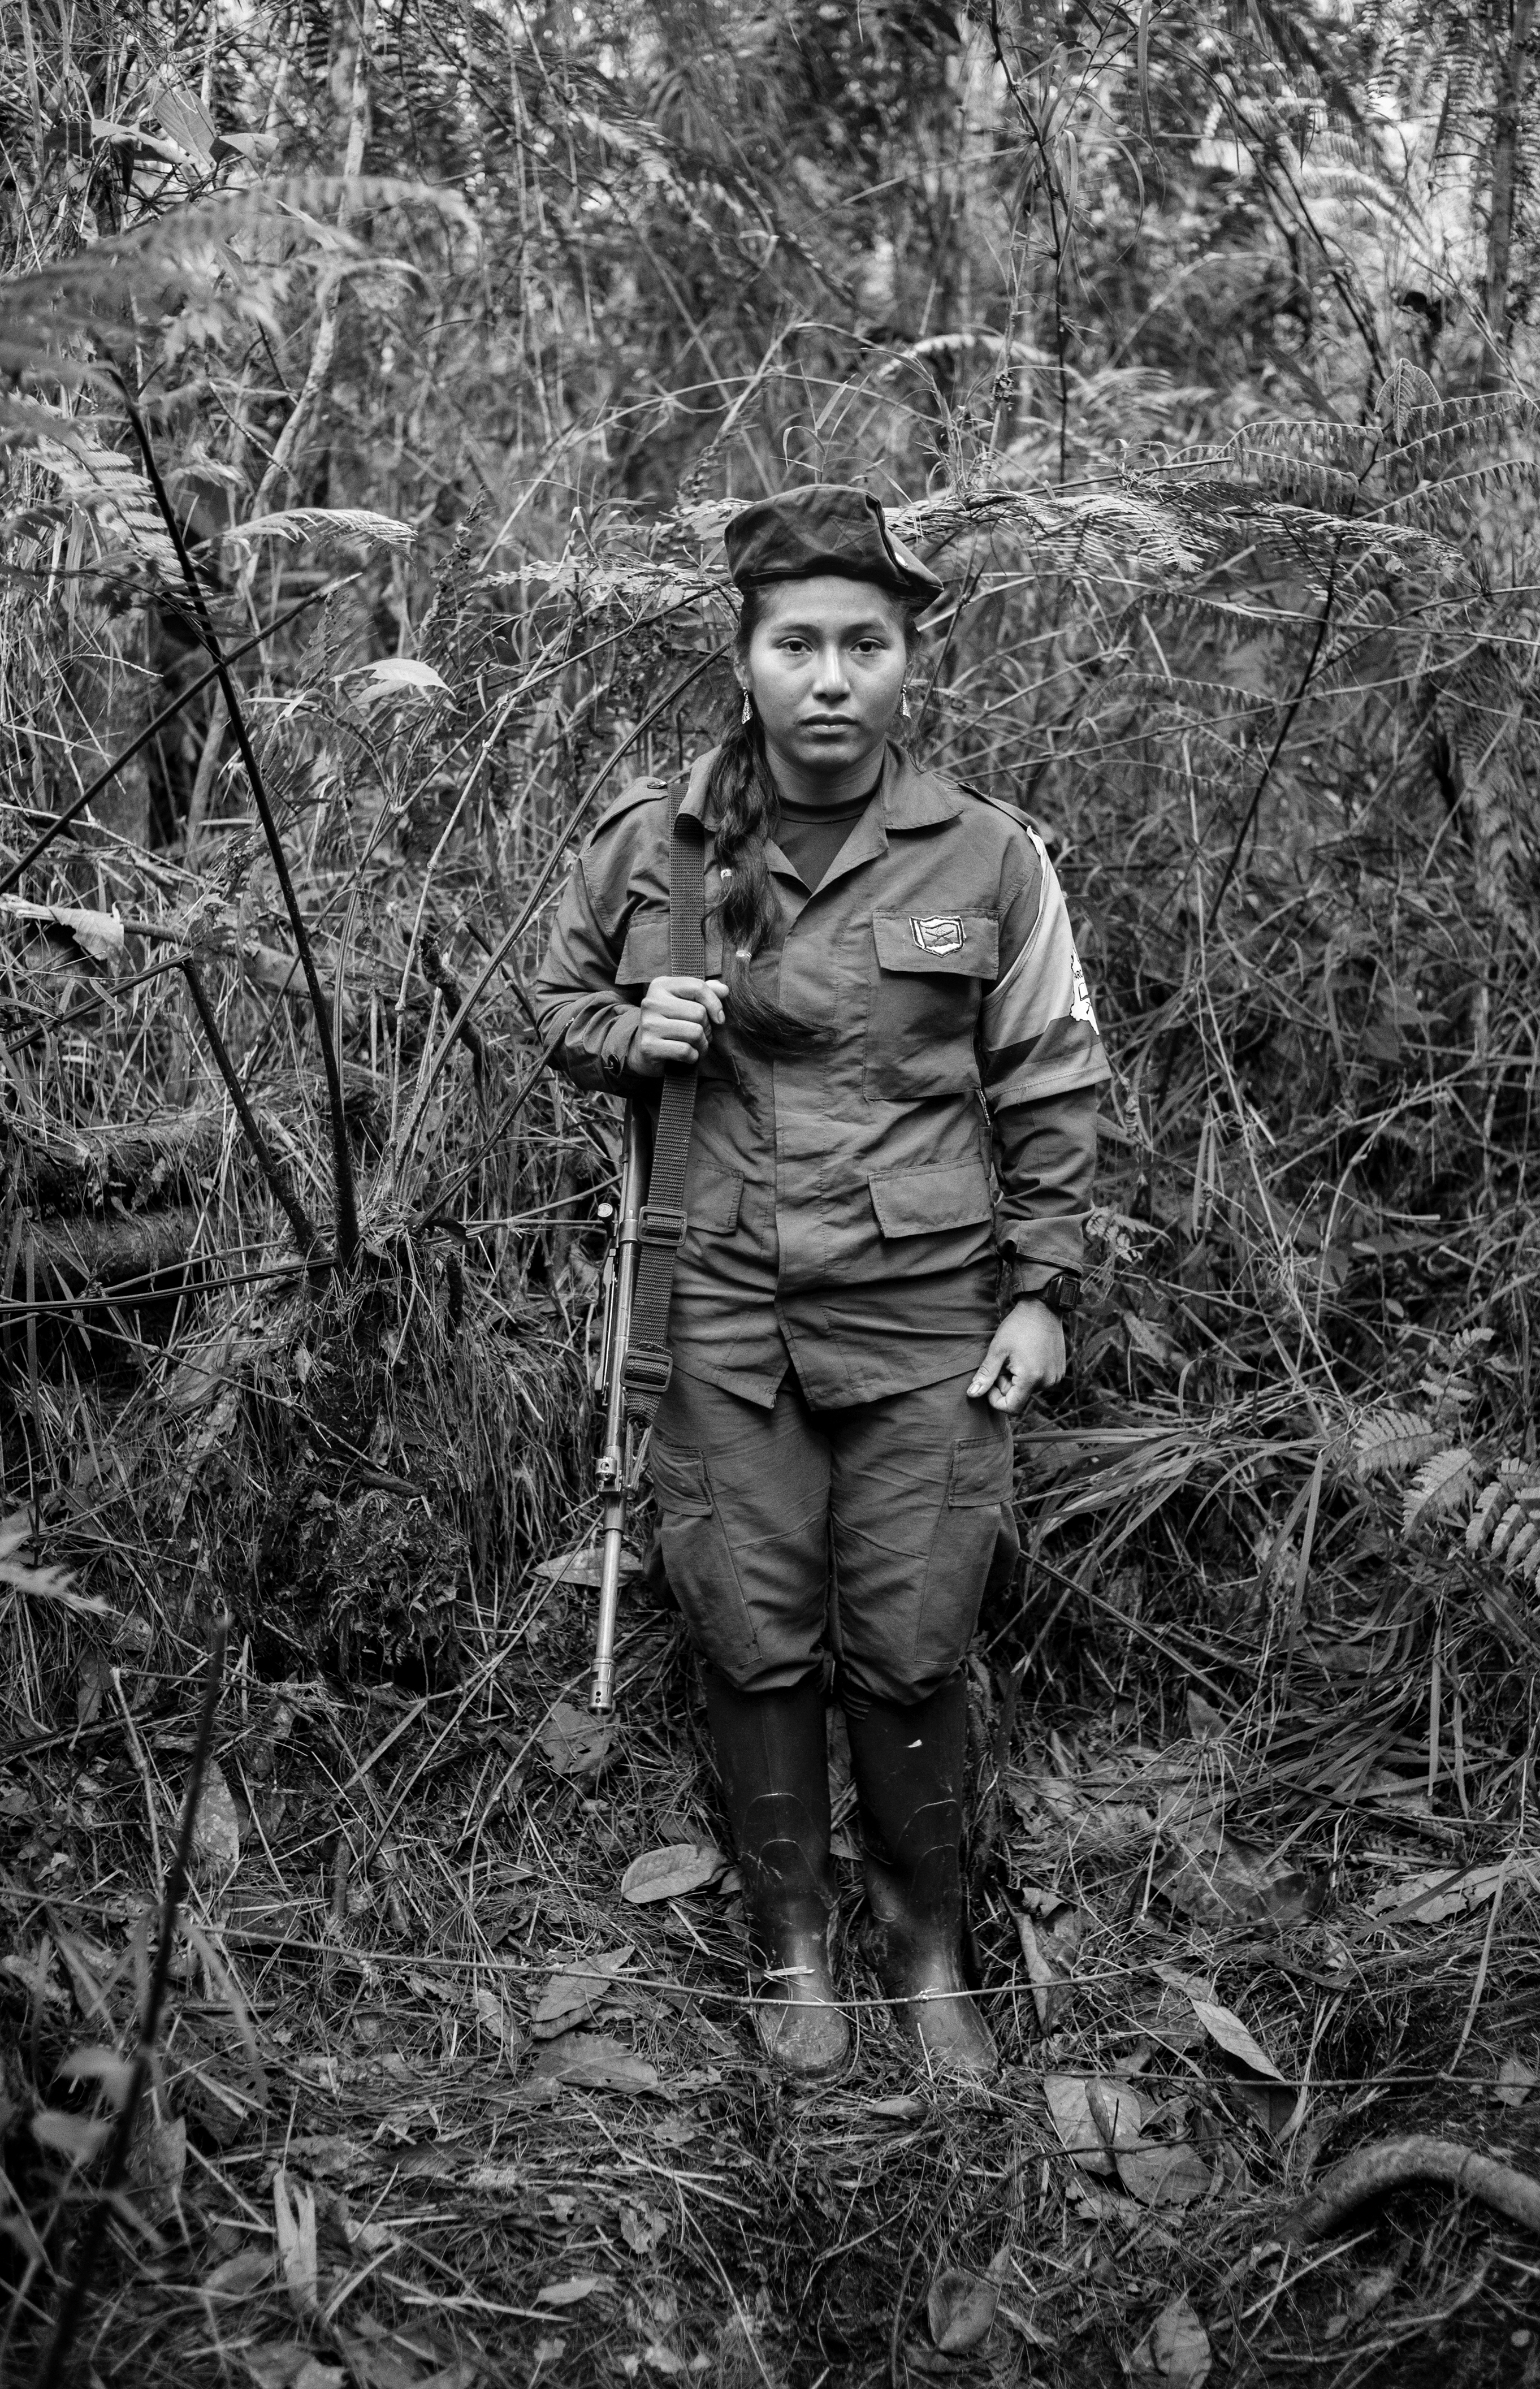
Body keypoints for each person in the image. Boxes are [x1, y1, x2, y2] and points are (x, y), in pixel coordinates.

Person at [537, 484, 1105, 2078]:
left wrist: (1043, 1288)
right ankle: (793, 1945)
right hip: (716, 1300)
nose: (834, 676)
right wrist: (620, 1031)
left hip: (927, 1310)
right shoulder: (659, 840)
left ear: (912, 659)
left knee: (914, 1634)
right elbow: (560, 997)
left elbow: (1051, 1078)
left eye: (867, 642)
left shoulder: (989, 858)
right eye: (801, 642)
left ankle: (928, 1954)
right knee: (748, 1624)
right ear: (746, 652)